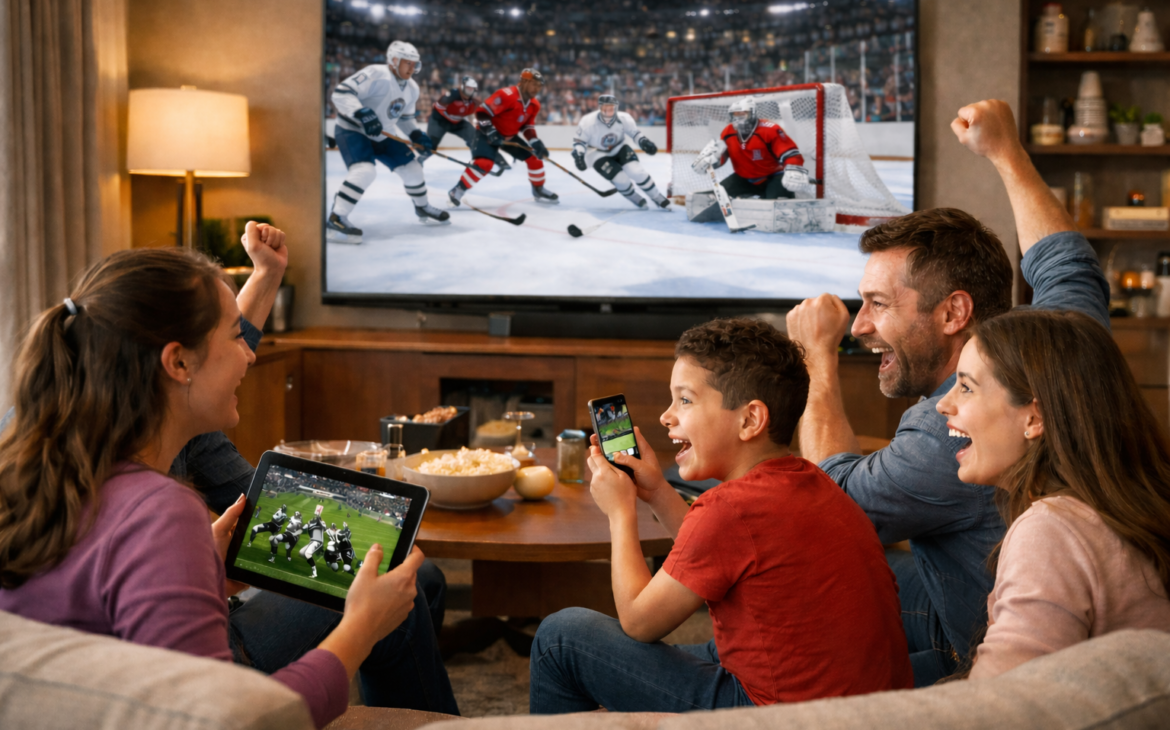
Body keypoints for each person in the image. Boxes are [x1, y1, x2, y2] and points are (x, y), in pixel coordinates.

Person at [0, 223, 454, 709]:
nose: (249, 354)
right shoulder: (160, 512)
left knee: (399, 577)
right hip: (180, 695)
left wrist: (198, 573)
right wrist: (359, 630)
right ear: (177, 363)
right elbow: (221, 722)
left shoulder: (32, 455)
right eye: (238, 336)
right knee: (389, 588)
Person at [784, 99, 1110, 686]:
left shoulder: (949, 430)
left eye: (877, 305)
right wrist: (1005, 153)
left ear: (954, 311)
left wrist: (818, 356)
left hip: (987, 642)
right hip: (991, 590)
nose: (859, 324)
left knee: (815, 572)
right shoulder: (1067, 346)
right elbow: (1067, 267)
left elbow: (831, 507)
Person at [529, 318, 912, 714]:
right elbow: (714, 552)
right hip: (866, 712)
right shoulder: (811, 482)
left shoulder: (729, 508)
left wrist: (620, 512)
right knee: (711, 647)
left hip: (782, 718)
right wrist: (658, 491)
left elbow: (639, 623)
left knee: (562, 638)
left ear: (750, 420)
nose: (666, 416)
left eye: (685, 400)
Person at [936, 309, 1170, 678]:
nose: (943, 405)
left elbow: (999, 707)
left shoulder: (1051, 532)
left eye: (966, 387)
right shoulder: (1121, 502)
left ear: (1034, 418)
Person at [327, 39, 449, 245]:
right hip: (353, 130)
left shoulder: (412, 88)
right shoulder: (376, 73)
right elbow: (341, 93)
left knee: (413, 169)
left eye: (414, 64)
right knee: (364, 171)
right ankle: (336, 217)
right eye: (407, 63)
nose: (411, 68)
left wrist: (416, 135)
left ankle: (422, 206)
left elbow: (404, 118)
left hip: (384, 134)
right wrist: (361, 112)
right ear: (394, 61)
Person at [448, 68, 559, 206]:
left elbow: (527, 126)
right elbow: (482, 112)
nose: (537, 89)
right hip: (486, 134)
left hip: (509, 137)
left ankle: (538, 189)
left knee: (535, 159)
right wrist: (490, 131)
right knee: (484, 164)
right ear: (524, 82)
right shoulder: (507, 95)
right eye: (534, 84)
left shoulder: (534, 104)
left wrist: (536, 142)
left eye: (539, 86)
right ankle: (457, 190)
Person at [689, 96, 809, 200]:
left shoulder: (770, 130)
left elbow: (790, 153)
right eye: (735, 115)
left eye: (742, 114)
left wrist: (794, 169)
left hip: (773, 177)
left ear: (752, 113)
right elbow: (722, 155)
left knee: (775, 205)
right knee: (716, 197)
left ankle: (768, 195)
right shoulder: (727, 132)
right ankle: (751, 195)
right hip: (744, 179)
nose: (738, 118)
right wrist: (709, 163)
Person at [571, 94, 669, 209]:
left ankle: (656, 196)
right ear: (600, 108)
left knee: (637, 172)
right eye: (605, 108)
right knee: (621, 180)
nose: (609, 111)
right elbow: (579, 142)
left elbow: (635, 133)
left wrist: (644, 142)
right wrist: (579, 156)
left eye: (611, 108)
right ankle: (634, 197)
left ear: (616, 108)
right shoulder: (587, 122)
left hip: (619, 147)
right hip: (597, 154)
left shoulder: (624, 118)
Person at [426, 76, 511, 174]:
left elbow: (483, 115)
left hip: (458, 123)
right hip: (439, 122)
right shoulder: (451, 96)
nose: (469, 91)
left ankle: (500, 161)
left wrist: (489, 129)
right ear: (462, 87)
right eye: (467, 88)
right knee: (430, 146)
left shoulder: (474, 102)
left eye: (472, 89)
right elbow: (437, 107)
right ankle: (419, 158)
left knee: (478, 140)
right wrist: (448, 99)